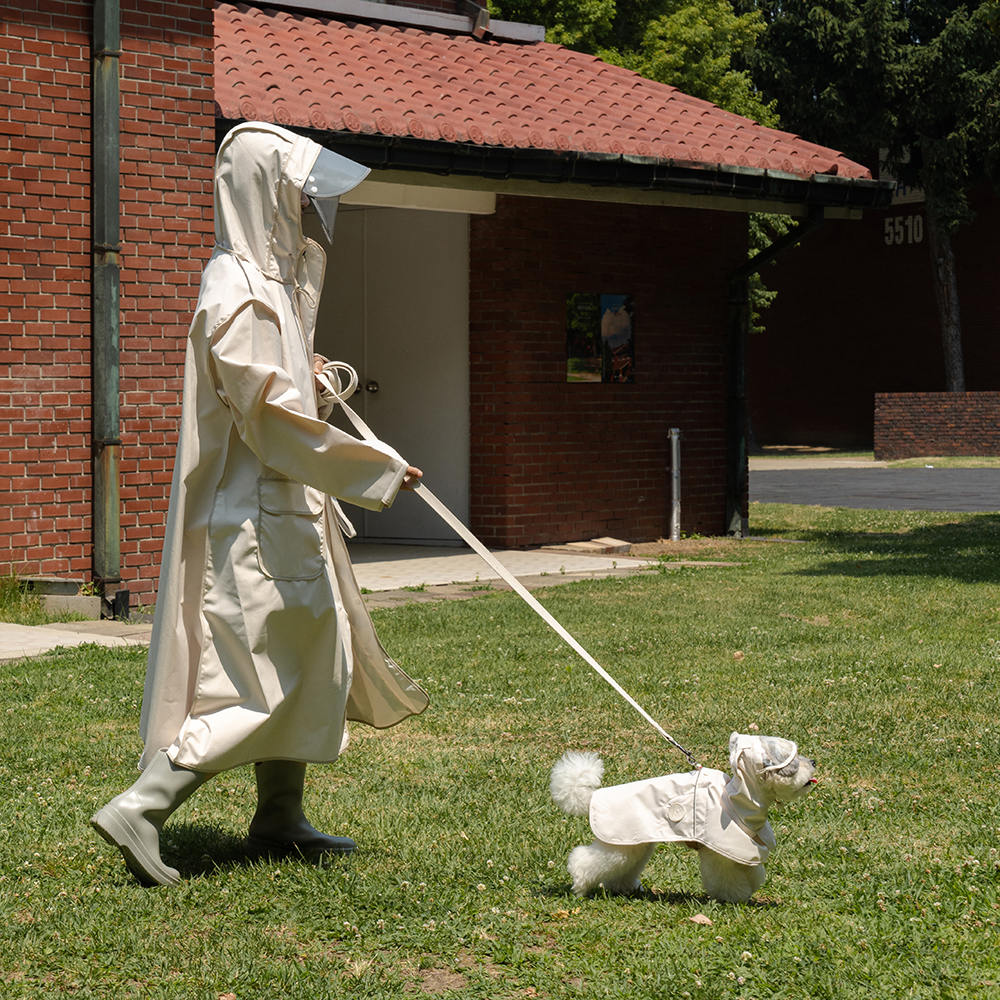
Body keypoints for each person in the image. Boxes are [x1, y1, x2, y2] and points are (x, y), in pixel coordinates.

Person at [91, 122, 429, 887]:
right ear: (262, 191)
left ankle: (279, 816)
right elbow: (268, 419)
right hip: (249, 521)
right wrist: (372, 467)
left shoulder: (268, 286)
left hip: (283, 512)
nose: (307, 211)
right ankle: (143, 806)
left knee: (310, 658)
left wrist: (309, 366)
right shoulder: (235, 290)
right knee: (255, 677)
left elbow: (277, 385)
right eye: (294, 193)